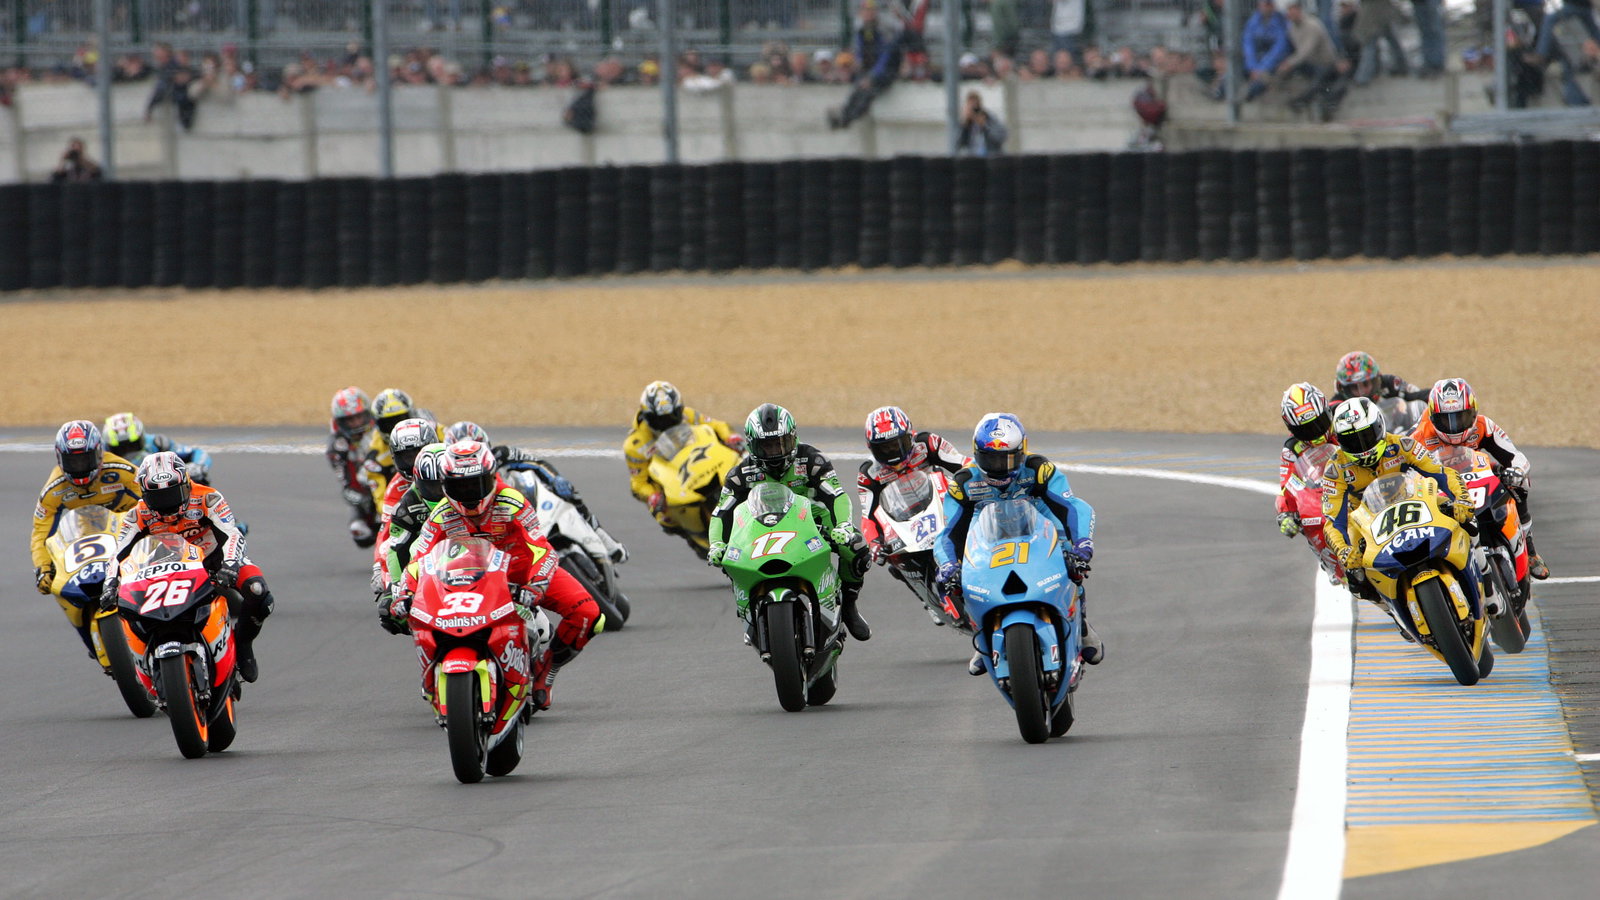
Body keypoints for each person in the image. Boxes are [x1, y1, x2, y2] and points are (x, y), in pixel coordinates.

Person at [392, 441, 601, 710]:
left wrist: (536, 583)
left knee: (589, 614)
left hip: (522, 576)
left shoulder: (511, 501)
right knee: (419, 615)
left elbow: (543, 549)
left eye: (475, 484)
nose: (468, 493)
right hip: (469, 582)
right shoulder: (441, 513)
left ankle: (545, 672)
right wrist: (404, 592)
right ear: (446, 485)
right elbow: (418, 559)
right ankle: (434, 676)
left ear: (491, 478)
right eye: (460, 486)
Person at [932, 413, 1103, 674]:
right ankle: (983, 639)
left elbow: (1074, 507)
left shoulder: (1039, 468)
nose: (999, 467)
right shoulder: (964, 482)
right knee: (960, 577)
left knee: (1071, 559)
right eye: (991, 459)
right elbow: (948, 533)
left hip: (1039, 519)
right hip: (988, 527)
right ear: (977, 455)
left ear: (1022, 451)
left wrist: (1082, 545)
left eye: (1007, 458)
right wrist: (948, 565)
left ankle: (1081, 625)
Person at [707, 404, 873, 642]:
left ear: (793, 438)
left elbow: (836, 495)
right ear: (753, 445)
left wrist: (843, 526)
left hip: (813, 523)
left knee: (857, 548)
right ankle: (748, 613)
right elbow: (720, 513)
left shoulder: (813, 460)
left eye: (780, 443)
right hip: (759, 531)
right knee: (728, 560)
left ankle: (848, 605)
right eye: (767, 445)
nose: (775, 451)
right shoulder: (740, 474)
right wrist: (716, 544)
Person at [103, 452, 273, 682]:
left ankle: (243, 644)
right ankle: (149, 664)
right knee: (128, 607)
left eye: (173, 494)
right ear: (144, 494)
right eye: (158, 497)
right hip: (165, 568)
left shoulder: (208, 498)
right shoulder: (137, 515)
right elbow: (118, 553)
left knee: (259, 594)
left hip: (215, 560)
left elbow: (232, 534)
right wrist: (110, 583)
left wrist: (231, 564)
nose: (167, 505)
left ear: (186, 483)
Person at [1321, 397, 1473, 612]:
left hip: (1413, 501)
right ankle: (1391, 609)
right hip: (1366, 521)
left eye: (1366, 436)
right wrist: (1343, 550)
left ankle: (1482, 571)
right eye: (1353, 441)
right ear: (1340, 442)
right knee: (1354, 577)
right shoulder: (1335, 469)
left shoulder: (1403, 444)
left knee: (1464, 517)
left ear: (1380, 426)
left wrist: (1461, 498)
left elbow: (1441, 473)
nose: (1362, 447)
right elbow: (1332, 521)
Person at [1411, 378, 1550, 580]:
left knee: (1520, 481)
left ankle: (1529, 549)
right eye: (1445, 419)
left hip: (1478, 472)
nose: (1453, 427)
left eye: (1461, 417)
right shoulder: (1420, 435)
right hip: (1444, 485)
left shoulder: (1484, 425)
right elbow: (1405, 471)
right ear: (1433, 417)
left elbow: (1517, 457)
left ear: (1474, 412)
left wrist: (1517, 470)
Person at [30, 420, 143, 652]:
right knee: (56, 584)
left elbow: (149, 493)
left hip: (129, 531)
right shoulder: (54, 488)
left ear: (99, 453)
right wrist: (43, 567)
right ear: (60, 459)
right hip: (87, 539)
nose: (80, 467)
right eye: (73, 461)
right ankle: (89, 638)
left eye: (85, 459)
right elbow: (41, 531)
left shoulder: (121, 470)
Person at [449, 420, 627, 563]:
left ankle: (605, 540)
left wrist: (556, 479)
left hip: (524, 507)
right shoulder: (450, 481)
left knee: (569, 493)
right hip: (494, 527)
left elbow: (537, 464)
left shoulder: (501, 454)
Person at [623, 380, 744, 551]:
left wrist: (730, 437)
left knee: (742, 462)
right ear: (647, 416)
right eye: (659, 420)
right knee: (665, 517)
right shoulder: (635, 444)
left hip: (699, 458)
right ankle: (696, 536)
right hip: (670, 481)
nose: (667, 423)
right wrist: (652, 496)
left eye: (672, 417)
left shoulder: (687, 414)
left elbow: (717, 425)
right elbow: (638, 484)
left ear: (679, 410)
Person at [857, 405, 971, 566]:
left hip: (942, 505)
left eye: (897, 444)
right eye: (884, 448)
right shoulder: (869, 473)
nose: (893, 453)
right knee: (892, 558)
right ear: (871, 448)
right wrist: (874, 543)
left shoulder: (927, 443)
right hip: (904, 522)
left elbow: (964, 465)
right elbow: (867, 516)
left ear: (910, 435)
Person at [377, 442, 448, 633]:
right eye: (431, 487)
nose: (438, 493)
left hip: (483, 566)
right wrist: (395, 588)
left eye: (442, 486)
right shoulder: (406, 506)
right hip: (435, 568)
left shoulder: (471, 499)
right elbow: (397, 549)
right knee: (389, 613)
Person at [1275, 382, 1338, 538]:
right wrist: (1285, 514)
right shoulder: (1291, 449)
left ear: (1327, 411)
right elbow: (1287, 486)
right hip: (1326, 499)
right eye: (1305, 431)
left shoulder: (1343, 416)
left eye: (1319, 423)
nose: (1315, 434)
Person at [827, 1, 903, 129]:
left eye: (870, 10)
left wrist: (872, 76)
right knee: (858, 88)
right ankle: (845, 114)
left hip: (886, 71)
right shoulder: (862, 29)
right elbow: (860, 53)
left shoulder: (883, 29)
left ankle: (847, 118)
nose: (868, 13)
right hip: (871, 70)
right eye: (865, 10)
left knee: (867, 90)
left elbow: (886, 58)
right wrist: (858, 65)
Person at [326, 386, 380, 547]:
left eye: (359, 417)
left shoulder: (382, 430)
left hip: (391, 479)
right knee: (360, 533)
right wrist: (369, 501)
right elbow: (347, 487)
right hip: (366, 491)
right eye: (350, 420)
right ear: (341, 422)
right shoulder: (338, 447)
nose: (356, 423)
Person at [1279, 1, 1349, 117]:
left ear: (1299, 10)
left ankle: (1302, 102)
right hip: (1310, 64)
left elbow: (1306, 51)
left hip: (1326, 63)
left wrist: (1289, 63)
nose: (1291, 13)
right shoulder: (1292, 29)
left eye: (1293, 10)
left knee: (1320, 81)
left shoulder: (1313, 25)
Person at [102, 412, 215, 484]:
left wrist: (197, 466)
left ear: (142, 437)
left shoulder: (158, 443)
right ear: (108, 446)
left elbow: (197, 453)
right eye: (120, 449)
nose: (128, 452)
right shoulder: (101, 455)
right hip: (126, 496)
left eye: (132, 445)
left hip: (164, 487)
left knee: (199, 478)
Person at [1330, 350, 1428, 404]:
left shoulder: (1390, 383)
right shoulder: (1337, 403)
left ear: (1376, 380)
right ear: (1344, 389)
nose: (1362, 392)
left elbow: (1418, 395)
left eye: (1366, 384)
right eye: (1354, 387)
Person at [1242, 0, 1292, 100]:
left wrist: (1262, 68)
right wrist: (1253, 66)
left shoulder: (1281, 21)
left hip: (1273, 63)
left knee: (1265, 80)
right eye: (1264, 4)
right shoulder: (1253, 21)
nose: (1267, 7)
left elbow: (1280, 48)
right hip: (1256, 62)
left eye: (1269, 4)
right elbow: (1248, 44)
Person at [956, 90, 1008, 156]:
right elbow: (957, 144)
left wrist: (985, 126)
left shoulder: (990, 119)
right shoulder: (966, 124)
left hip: (991, 158)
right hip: (973, 159)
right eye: (972, 108)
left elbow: (1001, 137)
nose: (974, 111)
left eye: (976, 107)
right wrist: (964, 124)